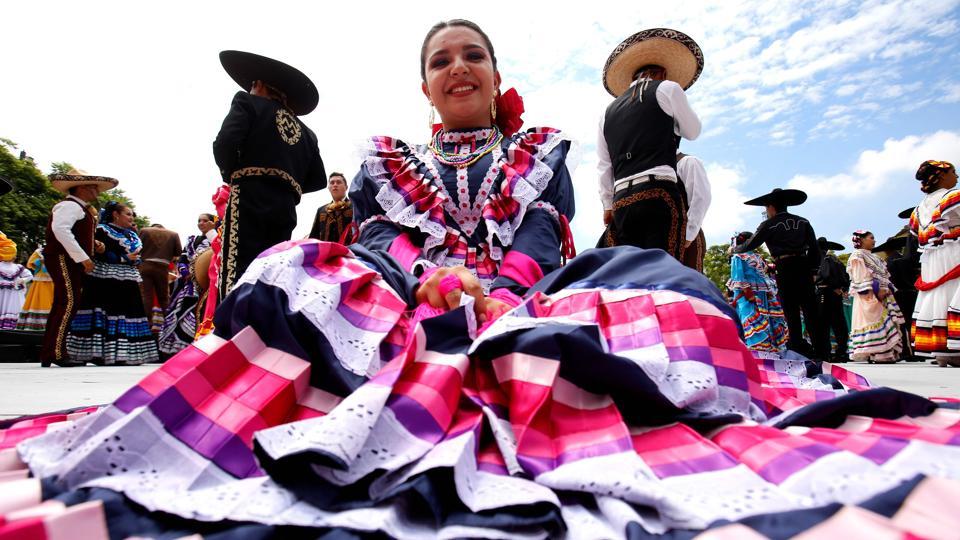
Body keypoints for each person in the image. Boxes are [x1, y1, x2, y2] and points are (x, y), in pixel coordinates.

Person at [5, 20, 960, 540]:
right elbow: (381, 234)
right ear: (424, 87)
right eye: (440, 60)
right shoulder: (385, 157)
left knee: (653, 275)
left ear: (494, 74)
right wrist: (425, 280)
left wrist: (498, 288)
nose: (456, 67)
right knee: (291, 267)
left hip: (526, 294)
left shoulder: (539, 147)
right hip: (404, 299)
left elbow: (545, 234)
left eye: (472, 55)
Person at [213, 50, 327, 297]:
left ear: (259, 85)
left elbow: (225, 143)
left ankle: (231, 328)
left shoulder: (247, 102)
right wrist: (289, 182)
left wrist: (233, 172)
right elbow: (318, 179)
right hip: (286, 207)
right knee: (273, 268)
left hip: (249, 195)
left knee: (238, 267)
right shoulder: (308, 133)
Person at [597, 28, 702, 258]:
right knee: (663, 270)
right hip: (659, 192)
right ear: (663, 73)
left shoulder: (607, 113)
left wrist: (607, 204)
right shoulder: (668, 89)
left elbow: (604, 165)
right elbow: (693, 131)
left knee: (630, 272)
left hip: (622, 198)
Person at [734, 187, 829, 360]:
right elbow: (815, 250)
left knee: (790, 310)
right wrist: (814, 271)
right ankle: (822, 352)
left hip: (784, 267)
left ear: (771, 207)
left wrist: (735, 248)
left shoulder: (768, 224)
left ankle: (798, 350)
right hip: (803, 266)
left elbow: (751, 244)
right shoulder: (803, 222)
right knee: (811, 310)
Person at [64, 201, 159, 366]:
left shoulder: (131, 235)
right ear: (116, 214)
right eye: (128, 214)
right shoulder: (101, 230)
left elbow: (135, 255)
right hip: (104, 277)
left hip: (127, 277)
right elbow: (96, 252)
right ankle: (100, 354)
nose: (131, 217)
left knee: (128, 310)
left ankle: (123, 354)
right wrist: (122, 258)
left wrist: (135, 261)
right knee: (107, 310)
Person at [39, 169, 117, 367]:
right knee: (67, 303)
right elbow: (61, 230)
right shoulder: (70, 206)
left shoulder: (79, 208)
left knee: (64, 303)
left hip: (67, 258)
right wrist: (83, 257)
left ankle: (52, 351)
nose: (96, 192)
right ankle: (56, 352)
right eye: (93, 188)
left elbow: (71, 232)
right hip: (63, 257)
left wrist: (94, 244)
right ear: (81, 188)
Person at [910, 160, 960, 367]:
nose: (957, 177)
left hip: (932, 258)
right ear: (941, 175)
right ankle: (952, 346)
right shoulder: (952, 197)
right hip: (953, 251)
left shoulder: (919, 209)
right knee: (953, 290)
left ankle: (944, 349)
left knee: (941, 294)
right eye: (954, 172)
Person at [157, 213, 217, 356]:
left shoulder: (216, 239)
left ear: (213, 223)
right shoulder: (192, 240)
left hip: (208, 284)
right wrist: (185, 271)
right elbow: (183, 258)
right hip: (188, 283)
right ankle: (176, 348)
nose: (201, 223)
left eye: (205, 221)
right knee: (180, 310)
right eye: (199, 221)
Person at [846, 230, 904, 363]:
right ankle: (876, 354)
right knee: (874, 321)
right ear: (861, 240)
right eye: (871, 238)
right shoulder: (857, 255)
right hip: (869, 295)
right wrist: (872, 292)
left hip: (883, 295)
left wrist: (886, 289)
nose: (874, 241)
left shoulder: (876, 258)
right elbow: (860, 276)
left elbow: (884, 277)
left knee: (885, 321)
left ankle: (886, 353)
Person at [727, 231, 788, 352]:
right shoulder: (738, 257)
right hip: (746, 295)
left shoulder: (757, 257)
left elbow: (764, 274)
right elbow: (738, 278)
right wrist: (749, 294)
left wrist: (769, 292)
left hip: (763, 294)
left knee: (766, 319)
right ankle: (754, 351)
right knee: (749, 318)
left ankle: (768, 350)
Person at [136, 223, 182, 328]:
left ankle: (147, 323)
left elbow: (137, 248)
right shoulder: (173, 234)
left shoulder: (144, 231)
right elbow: (178, 252)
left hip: (146, 265)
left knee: (146, 295)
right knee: (164, 297)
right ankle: (168, 323)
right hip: (163, 267)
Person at [816, 237, 850, 362]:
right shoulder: (836, 260)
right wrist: (842, 288)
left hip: (824, 292)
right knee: (839, 323)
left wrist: (833, 286)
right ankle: (842, 351)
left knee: (823, 324)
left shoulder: (822, 259)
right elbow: (846, 276)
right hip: (836, 294)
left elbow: (825, 275)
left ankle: (827, 353)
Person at [677, 151, 711, 271]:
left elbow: (700, 198)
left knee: (687, 285)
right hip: (662, 240)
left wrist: (688, 235)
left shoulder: (687, 162)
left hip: (685, 239)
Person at [15, 247, 54, 332]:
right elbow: (31, 263)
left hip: (54, 280)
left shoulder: (60, 250)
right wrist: (40, 261)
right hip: (40, 280)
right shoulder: (39, 251)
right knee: (38, 299)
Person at [308, 172, 354, 243]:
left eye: (338, 182)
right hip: (326, 252)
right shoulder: (321, 210)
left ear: (346, 187)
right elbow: (314, 236)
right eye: (332, 183)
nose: (335, 185)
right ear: (329, 188)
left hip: (350, 251)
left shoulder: (355, 206)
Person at [0, 233, 31, 329]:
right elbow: (29, 276)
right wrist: (22, 280)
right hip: (14, 294)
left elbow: (29, 276)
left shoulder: (17, 267)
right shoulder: (17, 267)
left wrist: (22, 280)